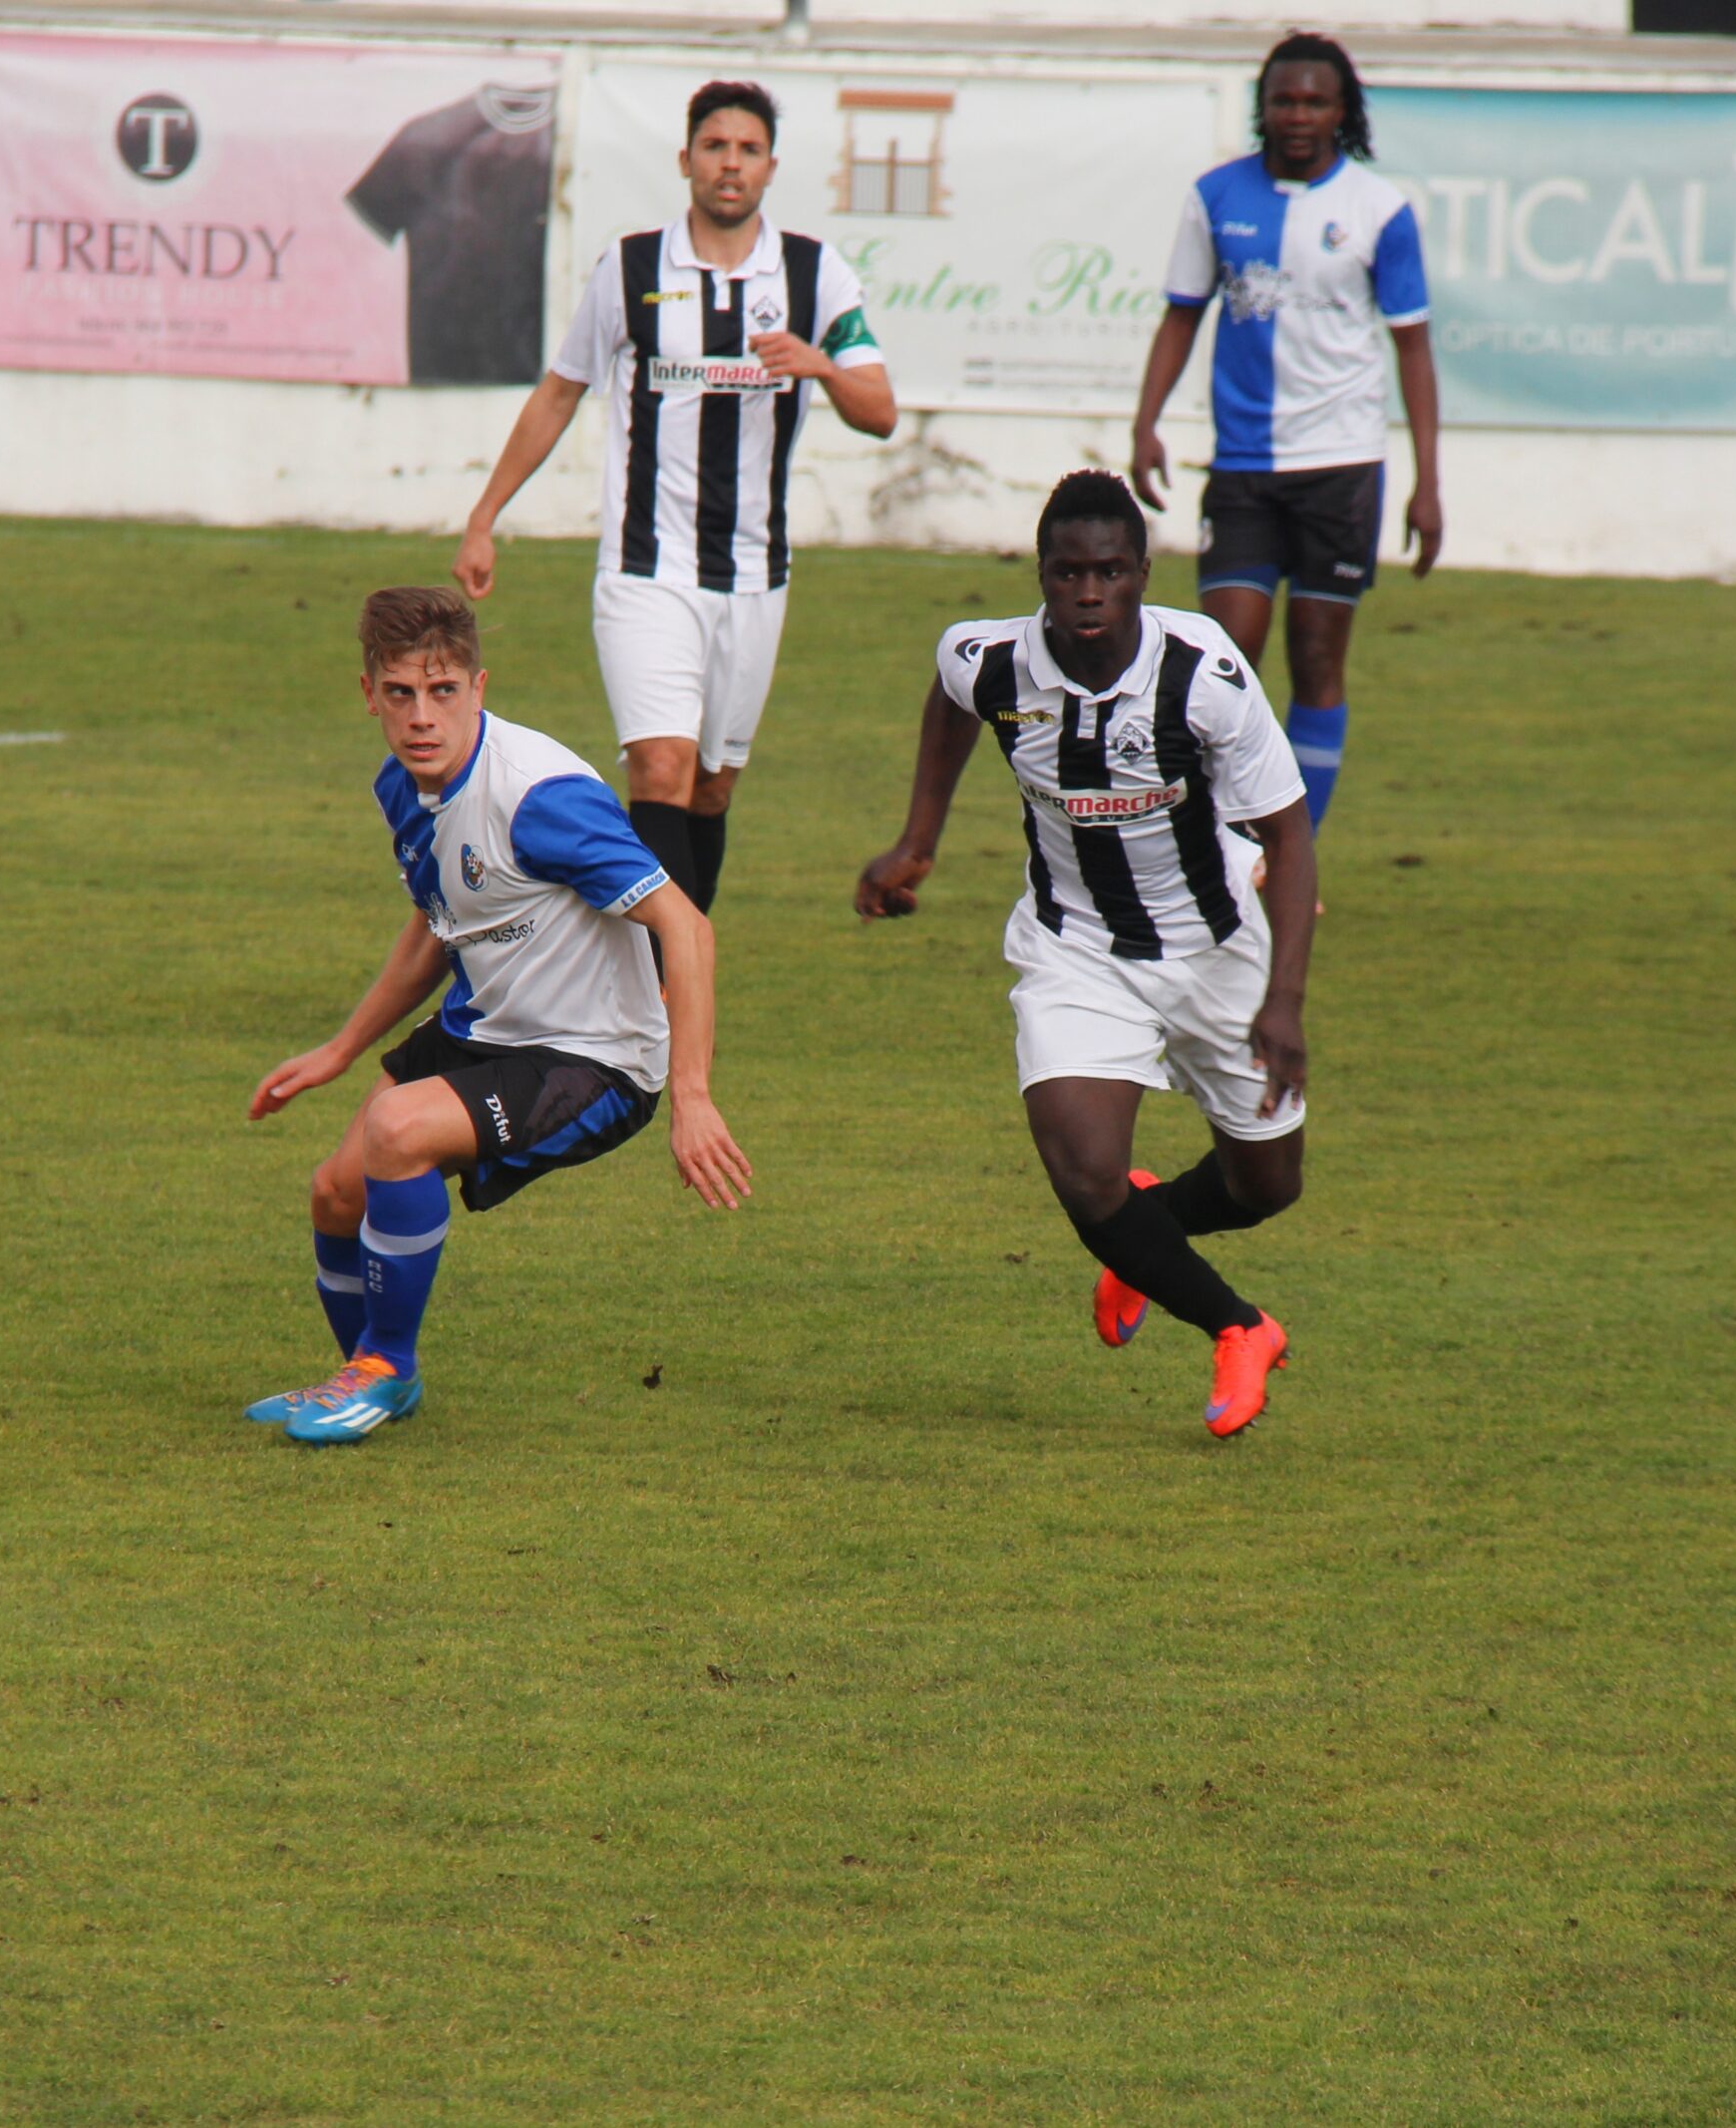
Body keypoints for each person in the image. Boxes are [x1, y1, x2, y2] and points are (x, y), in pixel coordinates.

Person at [855, 473, 1314, 1438]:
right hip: (1077, 949)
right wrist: (917, 840)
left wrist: (1283, 1002)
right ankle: (1239, 1325)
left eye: (1110, 571)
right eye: (1069, 573)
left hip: (1216, 951)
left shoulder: (1204, 673)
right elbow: (949, 700)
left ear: (1144, 573)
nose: (1089, 592)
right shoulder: (991, 661)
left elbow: (1290, 833)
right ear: (1043, 576)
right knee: (1083, 1168)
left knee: (1266, 1186)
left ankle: (1145, 1240)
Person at [245, 586, 751, 1445]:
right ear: (369, 693)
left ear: (480, 687)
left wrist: (693, 1096)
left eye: (443, 693)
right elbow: (437, 924)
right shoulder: (402, 787)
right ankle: (367, 1375)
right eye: (400, 694)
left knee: (399, 1129)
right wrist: (340, 1048)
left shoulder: (540, 797)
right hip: (490, 1026)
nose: (421, 718)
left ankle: (384, 1369)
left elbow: (685, 927)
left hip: (595, 1058)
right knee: (336, 1192)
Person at [455, 79, 896, 919]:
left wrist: (822, 365)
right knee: (662, 768)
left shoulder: (813, 273)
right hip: (645, 570)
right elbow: (559, 392)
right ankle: (658, 988)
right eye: (715, 146)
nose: (731, 164)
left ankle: (675, 975)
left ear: (771, 166)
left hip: (755, 578)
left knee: (712, 790)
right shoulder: (628, 269)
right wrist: (484, 518)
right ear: (686, 159)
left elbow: (879, 411)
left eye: (749, 149)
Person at [1128, 30, 1440, 846]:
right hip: (1242, 471)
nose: (1298, 115)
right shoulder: (1215, 196)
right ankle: (1223, 842)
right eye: (1283, 100)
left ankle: (1292, 853)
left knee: (1316, 660)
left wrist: (1428, 483)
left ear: (1343, 112)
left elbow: (1413, 347)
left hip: (1341, 469)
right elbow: (1180, 316)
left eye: (1315, 101)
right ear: (1262, 108)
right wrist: (1146, 422)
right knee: (1223, 660)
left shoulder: (1380, 209)